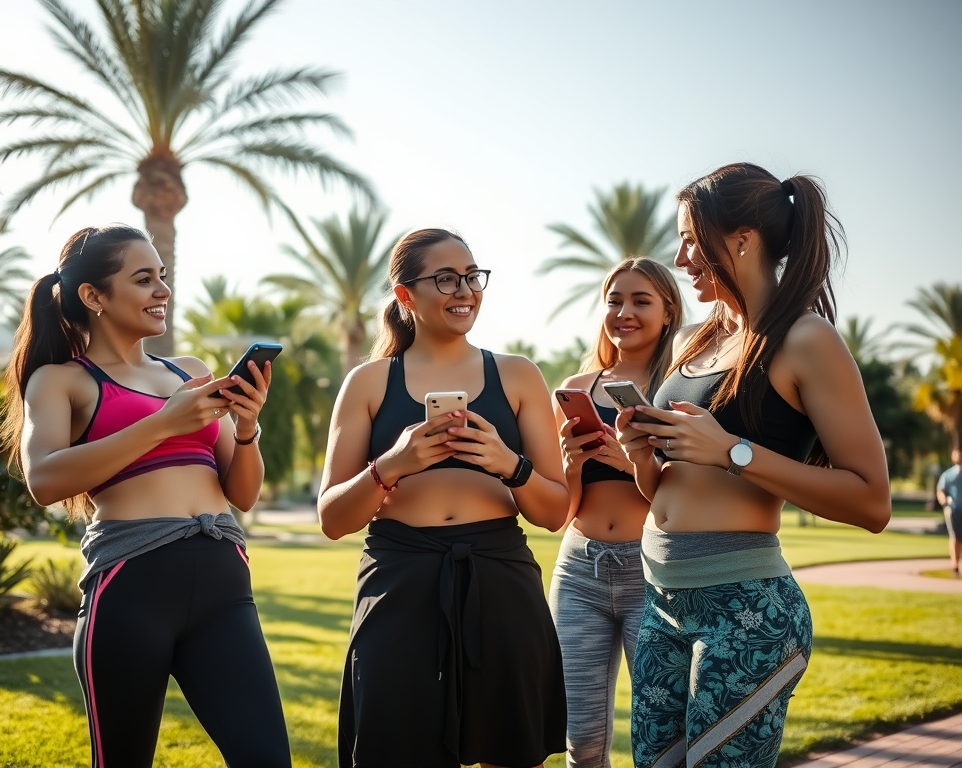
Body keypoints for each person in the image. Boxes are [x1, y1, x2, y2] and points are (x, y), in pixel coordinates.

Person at [616, 163, 891, 768]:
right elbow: (668, 487)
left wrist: (731, 451)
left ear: (741, 239)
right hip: (660, 601)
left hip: (748, 611)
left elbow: (872, 502)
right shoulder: (696, 341)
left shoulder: (804, 339)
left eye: (691, 237)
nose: (682, 257)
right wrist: (642, 457)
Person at [0, 225, 291, 768]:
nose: (163, 291)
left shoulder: (192, 374)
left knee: (266, 759)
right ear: (93, 296)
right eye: (144, 279)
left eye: (163, 277)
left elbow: (243, 493)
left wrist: (247, 428)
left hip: (224, 587)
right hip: (131, 587)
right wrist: (162, 423)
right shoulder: (62, 381)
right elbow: (44, 480)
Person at [317, 228, 570, 768]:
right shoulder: (367, 382)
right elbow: (333, 518)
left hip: (501, 579)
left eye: (473, 277)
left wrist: (509, 464)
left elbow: (554, 512)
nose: (466, 290)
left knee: (511, 751)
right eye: (446, 278)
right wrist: (392, 466)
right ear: (406, 295)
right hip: (399, 579)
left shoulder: (519, 375)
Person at [547, 258, 682, 768]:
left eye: (641, 301)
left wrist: (631, 464)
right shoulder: (577, 387)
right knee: (581, 742)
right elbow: (561, 511)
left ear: (668, 311)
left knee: (660, 731)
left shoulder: (679, 387)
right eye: (614, 301)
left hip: (652, 573)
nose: (624, 312)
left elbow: (688, 497)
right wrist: (572, 464)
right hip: (579, 570)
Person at [936, 447, 962, 577]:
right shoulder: (948, 475)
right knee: (955, 537)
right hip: (953, 511)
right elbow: (940, 490)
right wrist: (945, 501)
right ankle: (955, 565)